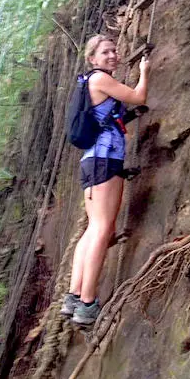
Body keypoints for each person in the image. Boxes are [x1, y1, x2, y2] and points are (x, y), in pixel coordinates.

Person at [61, 34, 150, 324]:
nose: (112, 55)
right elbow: (138, 97)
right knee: (102, 227)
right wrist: (145, 73)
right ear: (92, 59)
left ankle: (74, 296)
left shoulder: (91, 84)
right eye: (105, 52)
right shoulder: (99, 79)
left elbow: (116, 115)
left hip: (90, 161)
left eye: (114, 50)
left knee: (91, 229)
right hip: (104, 159)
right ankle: (88, 303)